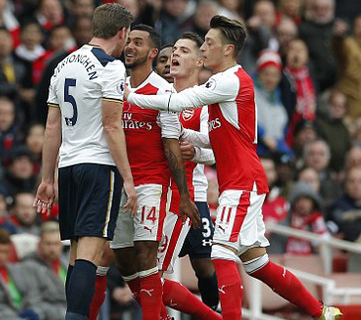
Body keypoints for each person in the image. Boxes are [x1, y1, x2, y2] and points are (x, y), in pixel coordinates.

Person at [125, 15, 342, 320]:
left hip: (241, 183)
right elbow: (217, 141)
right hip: (240, 181)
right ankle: (322, 312)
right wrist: (184, 137)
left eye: (209, 44)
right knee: (257, 264)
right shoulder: (228, 83)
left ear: (227, 50)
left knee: (220, 254)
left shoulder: (228, 80)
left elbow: (180, 101)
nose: (204, 50)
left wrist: (128, 97)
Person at [33, 4, 137, 320]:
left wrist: (47, 179)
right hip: (98, 166)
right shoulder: (111, 67)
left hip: (68, 167)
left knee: (77, 255)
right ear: (122, 32)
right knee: (91, 253)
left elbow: (52, 127)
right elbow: (112, 125)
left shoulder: (62, 65)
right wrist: (128, 179)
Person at [109, 25, 202, 320]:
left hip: (153, 184)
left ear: (151, 52)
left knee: (148, 256)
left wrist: (185, 196)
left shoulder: (165, 94)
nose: (129, 46)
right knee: (125, 264)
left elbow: (172, 147)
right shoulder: (115, 86)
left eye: (138, 42)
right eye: (128, 41)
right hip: (121, 184)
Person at [153, 32, 220, 315]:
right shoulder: (158, 97)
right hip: (159, 193)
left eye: (182, 51)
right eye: (171, 53)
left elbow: (218, 150)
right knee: (153, 267)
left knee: (204, 264)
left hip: (194, 194)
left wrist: (196, 153)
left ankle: (213, 309)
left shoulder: (206, 102)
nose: (174, 57)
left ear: (199, 61)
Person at [20, 221, 67, 320]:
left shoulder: (66, 262)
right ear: (39, 244)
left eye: (56, 244)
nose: (52, 248)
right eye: (48, 244)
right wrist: (65, 313)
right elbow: (33, 303)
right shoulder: (28, 266)